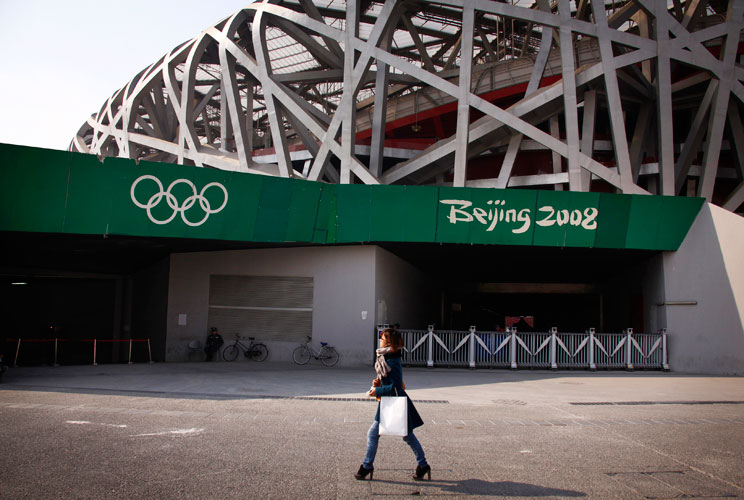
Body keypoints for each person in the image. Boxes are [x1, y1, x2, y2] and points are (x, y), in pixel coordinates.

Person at [355, 328, 430, 481]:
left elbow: (396, 386)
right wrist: (379, 382)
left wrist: (377, 391)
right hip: (390, 401)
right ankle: (423, 465)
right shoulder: (386, 357)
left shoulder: (393, 360)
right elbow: (389, 380)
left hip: (394, 402)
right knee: (407, 435)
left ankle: (367, 466)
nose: (380, 339)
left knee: (376, 434)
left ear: (388, 341)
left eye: (382, 337)